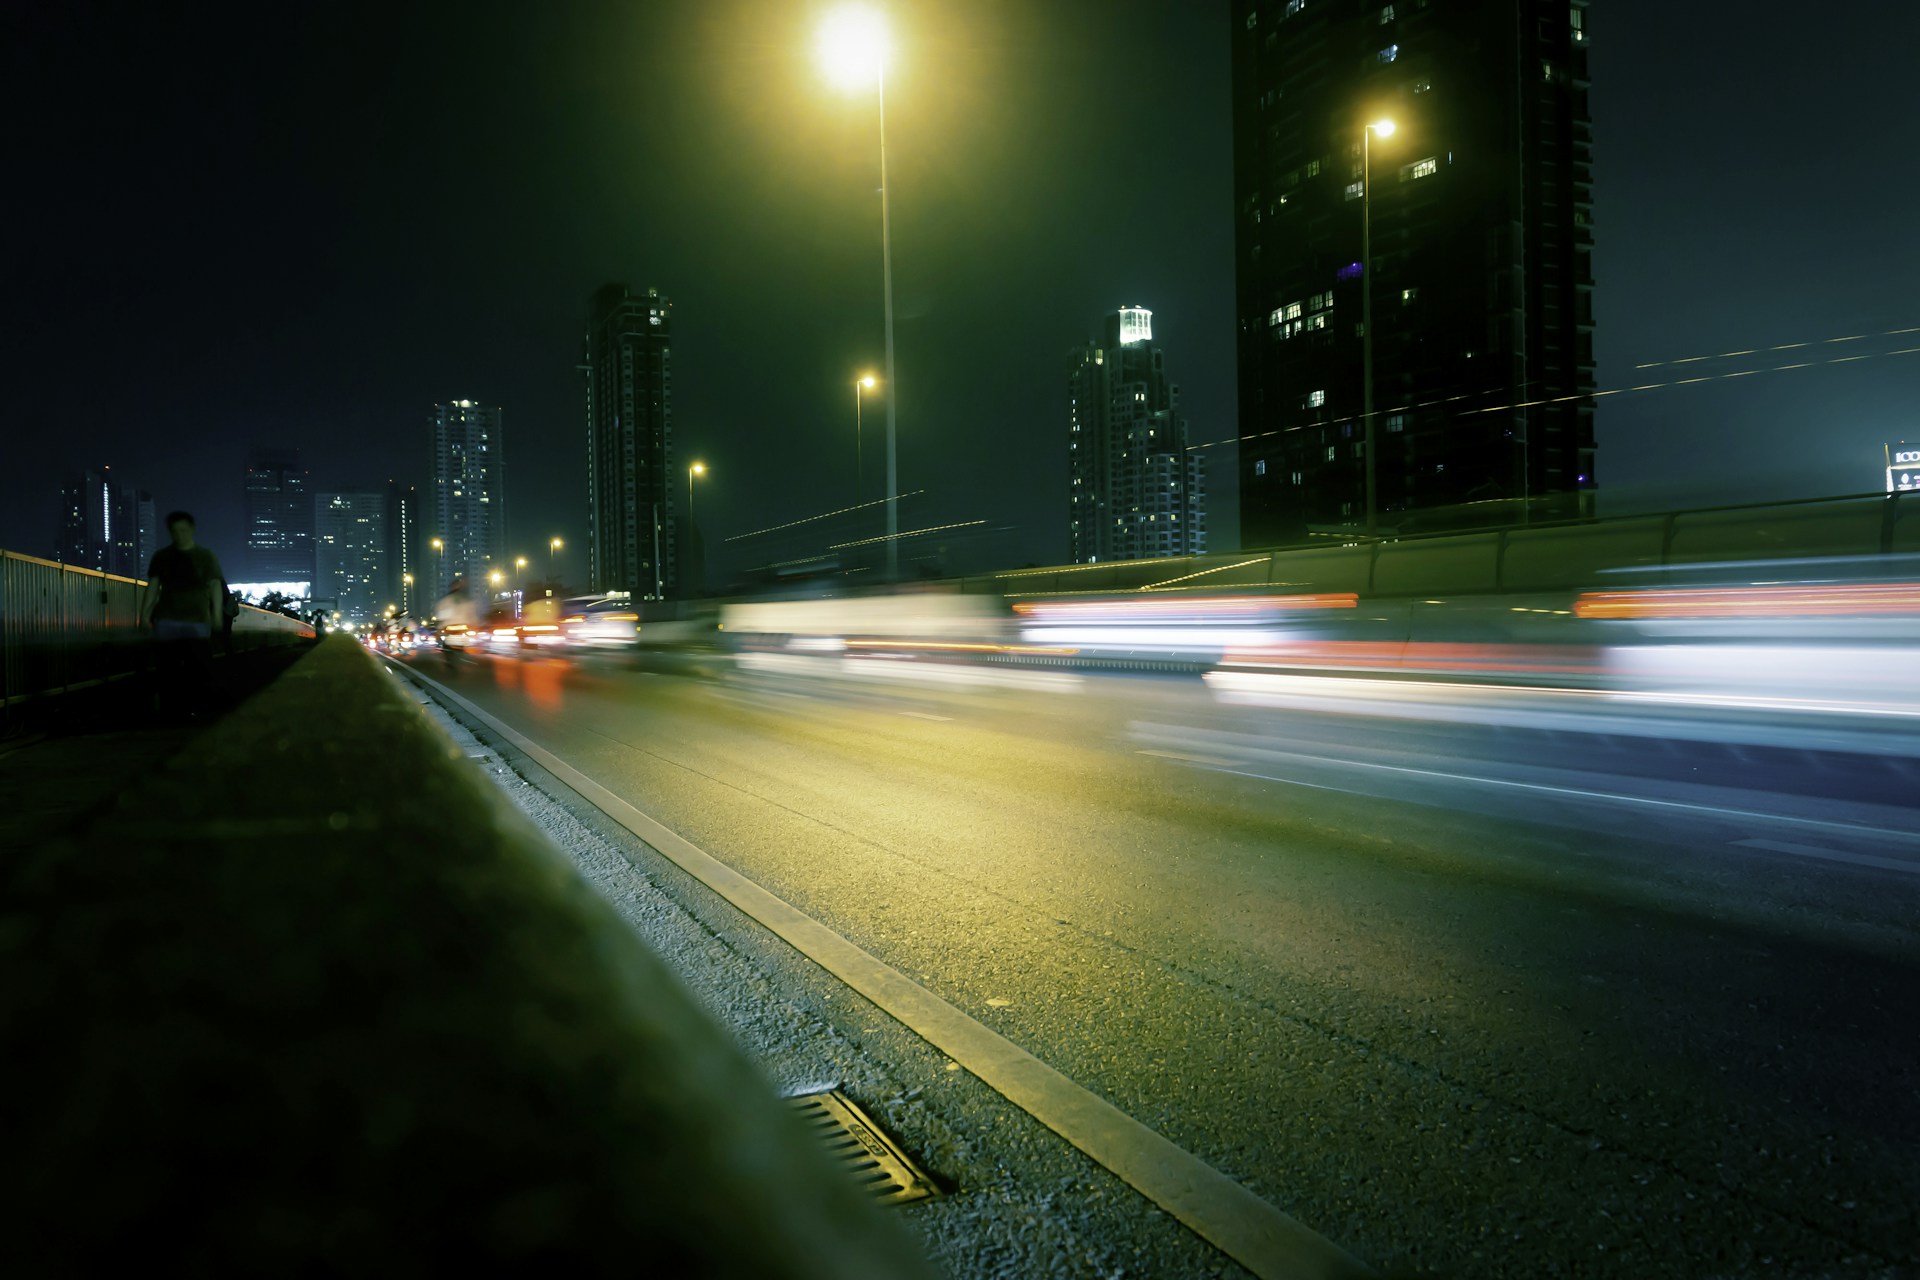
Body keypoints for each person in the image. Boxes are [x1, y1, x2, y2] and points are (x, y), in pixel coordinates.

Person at [141, 511, 226, 720]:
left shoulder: (206, 556)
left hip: (197, 619)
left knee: (197, 668)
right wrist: (145, 615)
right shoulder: (162, 556)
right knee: (167, 669)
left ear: (192, 530)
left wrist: (217, 614)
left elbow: (215, 585)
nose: (179, 535)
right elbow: (152, 587)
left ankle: (194, 710)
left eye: (183, 530)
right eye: (175, 531)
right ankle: (173, 711)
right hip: (167, 619)